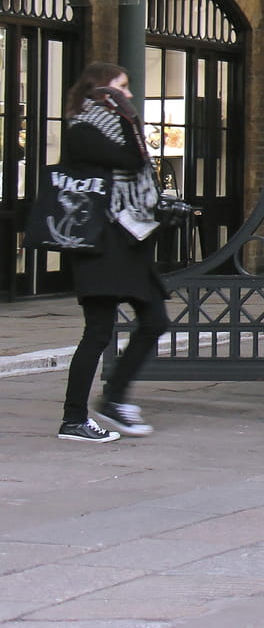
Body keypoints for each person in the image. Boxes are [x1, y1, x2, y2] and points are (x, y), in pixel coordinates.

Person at [57, 62, 170, 443]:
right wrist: (128, 118)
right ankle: (74, 420)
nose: (131, 96)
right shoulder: (84, 131)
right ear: (104, 91)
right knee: (98, 333)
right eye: (124, 88)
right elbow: (133, 160)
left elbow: (138, 164)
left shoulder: (115, 127)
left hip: (126, 242)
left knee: (155, 319)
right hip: (101, 245)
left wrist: (127, 118)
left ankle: (114, 399)